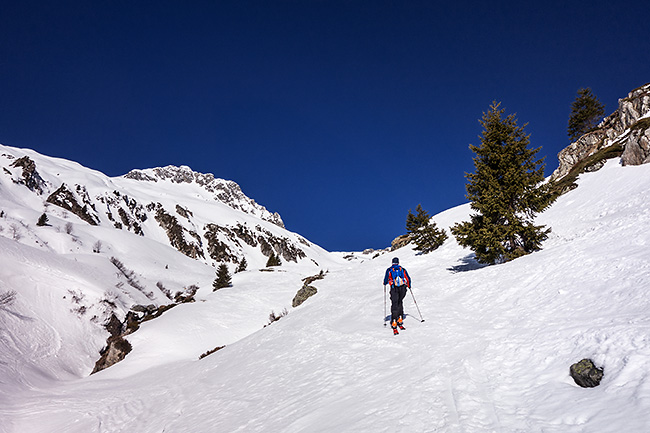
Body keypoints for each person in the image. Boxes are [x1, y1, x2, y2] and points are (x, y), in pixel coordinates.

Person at [383, 257, 411, 334]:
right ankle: (400, 318)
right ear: (398, 262)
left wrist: (385, 283)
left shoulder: (389, 270)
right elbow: (408, 278)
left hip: (394, 288)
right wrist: (409, 286)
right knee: (400, 302)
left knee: (394, 303)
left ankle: (394, 321)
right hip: (402, 288)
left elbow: (386, 279)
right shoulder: (402, 269)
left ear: (392, 262)